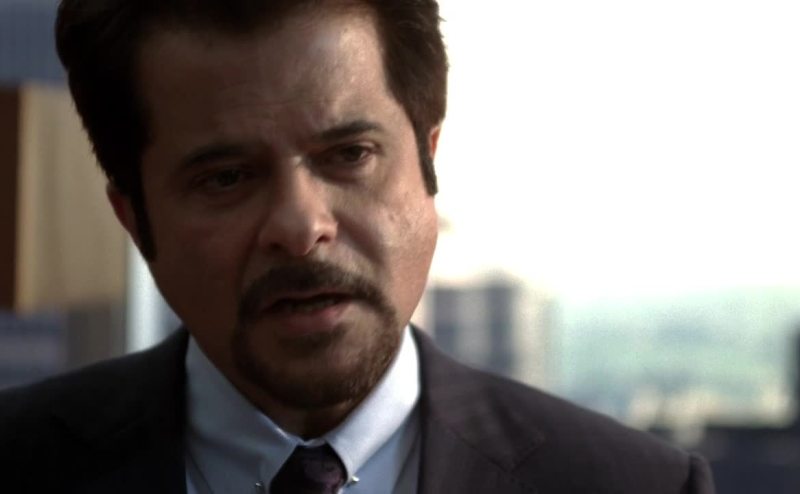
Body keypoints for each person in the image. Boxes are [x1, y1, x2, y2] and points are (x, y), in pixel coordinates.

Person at [0, 0, 715, 492]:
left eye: (349, 155)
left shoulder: (638, 485)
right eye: (226, 177)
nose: (300, 225)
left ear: (428, 162)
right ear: (134, 218)